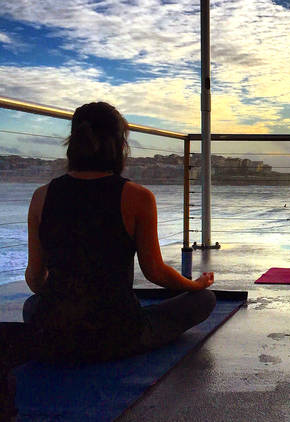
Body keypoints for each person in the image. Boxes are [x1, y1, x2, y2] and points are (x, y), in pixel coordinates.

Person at [22, 102, 216, 363]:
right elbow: (155, 272)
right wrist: (195, 285)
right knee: (204, 299)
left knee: (31, 306)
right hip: (117, 334)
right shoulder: (137, 197)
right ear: (120, 145)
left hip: (56, 334)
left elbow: (35, 280)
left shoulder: (41, 196)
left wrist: (68, 300)